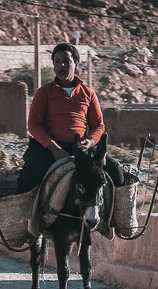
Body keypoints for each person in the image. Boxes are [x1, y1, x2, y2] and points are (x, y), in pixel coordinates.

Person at [17, 43, 124, 194]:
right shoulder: (44, 92)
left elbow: (98, 126)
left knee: (116, 172)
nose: (61, 65)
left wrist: (91, 141)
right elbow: (34, 124)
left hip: (81, 147)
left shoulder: (88, 94)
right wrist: (54, 148)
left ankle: (119, 215)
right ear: (53, 66)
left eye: (66, 61)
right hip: (48, 148)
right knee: (29, 174)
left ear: (76, 64)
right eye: (57, 61)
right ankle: (20, 214)